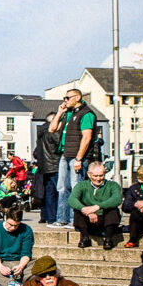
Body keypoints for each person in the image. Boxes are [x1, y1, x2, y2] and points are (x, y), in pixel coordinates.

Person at [49, 88, 96, 228]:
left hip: (76, 155)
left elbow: (87, 137)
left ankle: (75, 219)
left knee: (76, 187)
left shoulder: (86, 114)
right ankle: (61, 218)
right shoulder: (68, 113)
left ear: (77, 97)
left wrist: (79, 158)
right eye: (64, 98)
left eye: (67, 98)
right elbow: (52, 129)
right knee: (62, 187)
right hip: (65, 154)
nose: (65, 101)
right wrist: (59, 112)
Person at [68, 161, 123, 250]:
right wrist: (86, 210)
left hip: (105, 219)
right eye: (95, 176)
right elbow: (72, 199)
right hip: (88, 219)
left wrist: (97, 207)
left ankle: (108, 239)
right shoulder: (81, 185)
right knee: (78, 209)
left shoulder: (112, 185)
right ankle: (85, 237)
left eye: (101, 175)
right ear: (89, 175)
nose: (98, 179)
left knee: (112, 210)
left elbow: (117, 199)